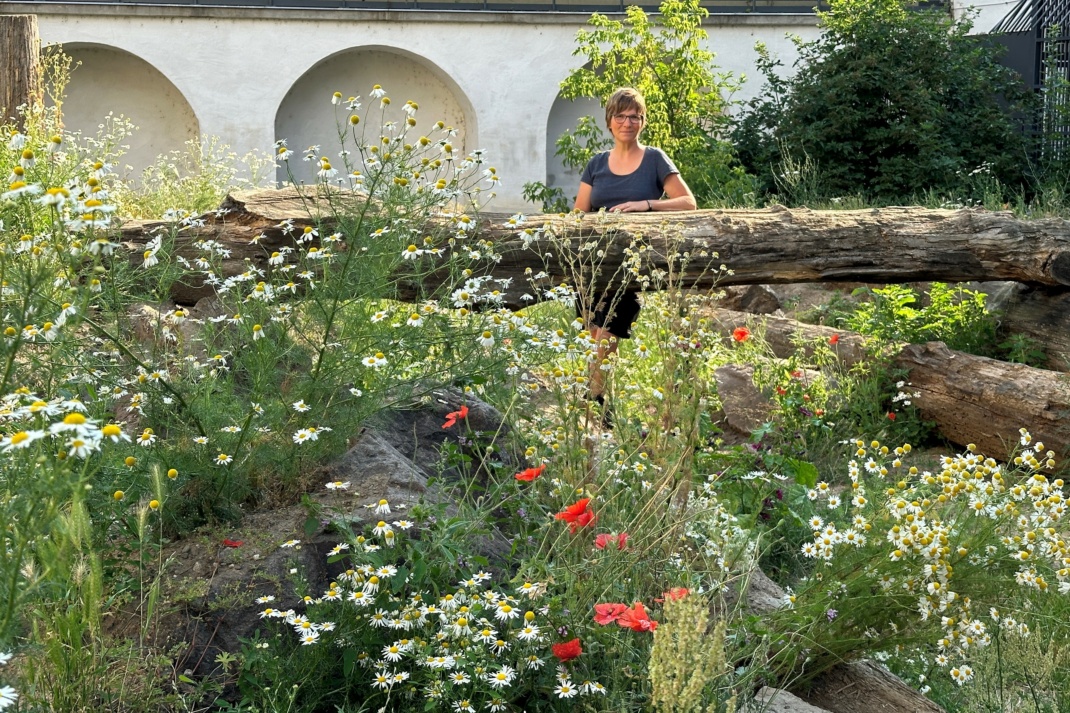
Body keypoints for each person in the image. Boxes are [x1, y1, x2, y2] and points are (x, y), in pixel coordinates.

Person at [573, 87, 697, 413]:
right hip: (594, 261)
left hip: (633, 263)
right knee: (593, 331)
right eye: (621, 116)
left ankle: (595, 399)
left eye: (634, 116)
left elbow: (688, 202)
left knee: (608, 331)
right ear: (610, 122)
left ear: (642, 121)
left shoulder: (655, 159)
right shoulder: (596, 164)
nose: (627, 122)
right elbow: (578, 213)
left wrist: (646, 205)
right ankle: (597, 398)